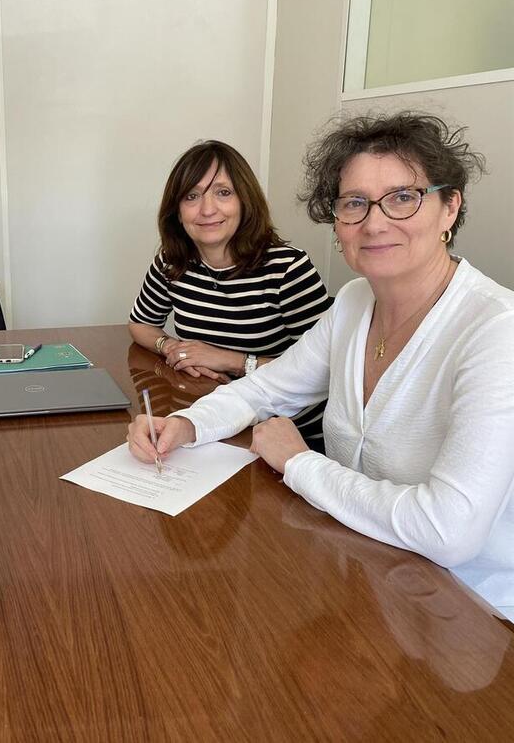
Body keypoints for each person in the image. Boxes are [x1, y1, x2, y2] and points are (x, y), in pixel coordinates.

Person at [127, 112, 514, 621]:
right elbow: (263, 390)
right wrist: (184, 424)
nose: (374, 223)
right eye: (355, 203)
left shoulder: (495, 331)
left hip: (469, 614)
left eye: (403, 197)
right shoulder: (355, 301)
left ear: (450, 208)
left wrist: (299, 462)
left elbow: (449, 531)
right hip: (361, 568)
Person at [129, 140, 330, 445]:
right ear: (177, 211)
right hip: (210, 417)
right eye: (192, 196)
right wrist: (171, 347)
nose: (208, 209)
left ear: (245, 201)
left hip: (285, 434)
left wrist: (227, 359)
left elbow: (321, 371)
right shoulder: (173, 262)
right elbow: (140, 323)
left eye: (223, 193)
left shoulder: (287, 268)